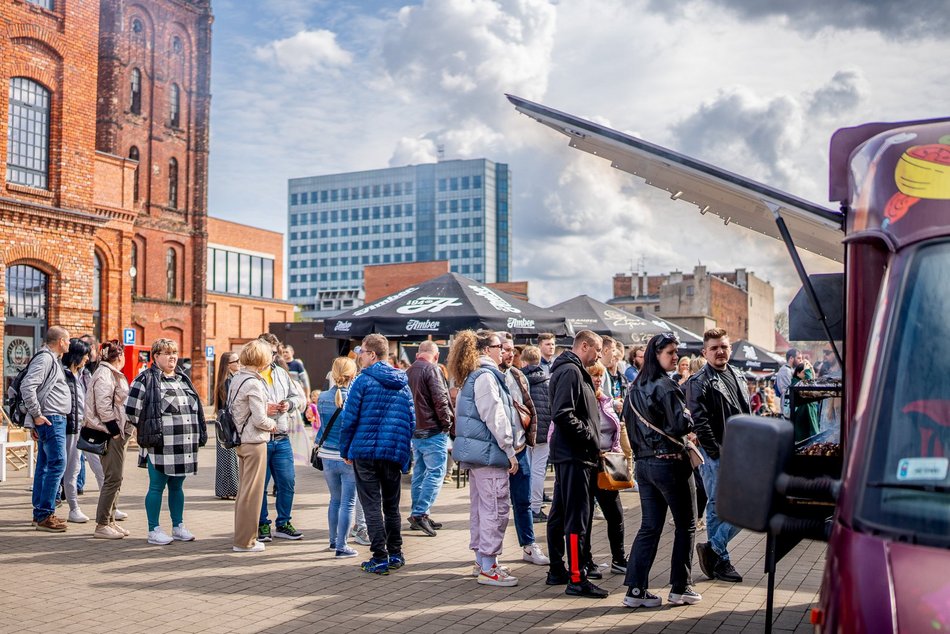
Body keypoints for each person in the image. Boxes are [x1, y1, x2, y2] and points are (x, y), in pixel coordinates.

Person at [622, 332, 701, 608]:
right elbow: (681, 425)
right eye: (670, 352)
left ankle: (635, 589)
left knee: (650, 526)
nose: (676, 356)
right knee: (686, 524)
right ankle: (680, 587)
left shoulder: (634, 387)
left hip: (644, 465)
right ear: (656, 355)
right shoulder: (666, 386)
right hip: (670, 463)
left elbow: (628, 424)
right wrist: (688, 416)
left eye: (676, 351)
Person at [449, 329, 520, 587]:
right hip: (490, 453)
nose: (504, 350)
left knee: (482, 508)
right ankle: (488, 566)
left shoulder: (473, 375)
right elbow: (495, 416)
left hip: (479, 453)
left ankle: (483, 561)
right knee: (495, 509)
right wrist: (509, 450)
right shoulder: (486, 376)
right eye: (499, 346)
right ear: (486, 350)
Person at [339, 334, 415, 575]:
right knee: (391, 506)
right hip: (392, 452)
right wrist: (405, 454)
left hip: (365, 452)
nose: (359, 355)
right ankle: (396, 553)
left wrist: (345, 449)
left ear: (372, 354)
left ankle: (379, 557)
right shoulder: (402, 382)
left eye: (361, 351)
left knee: (371, 505)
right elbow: (410, 420)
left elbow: (349, 419)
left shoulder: (362, 381)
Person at [546, 330, 609, 598]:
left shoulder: (572, 370)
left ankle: (559, 570)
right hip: (574, 455)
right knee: (576, 517)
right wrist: (589, 436)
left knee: (563, 513)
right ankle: (576, 577)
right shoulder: (571, 371)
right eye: (597, 350)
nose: (598, 356)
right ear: (585, 346)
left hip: (573, 454)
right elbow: (563, 413)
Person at [126, 338, 207, 545]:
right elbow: (131, 410)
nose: (172, 357)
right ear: (156, 356)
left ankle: (178, 526)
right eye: (167, 353)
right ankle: (153, 529)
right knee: (156, 486)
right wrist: (150, 429)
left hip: (183, 445)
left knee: (177, 486)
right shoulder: (144, 379)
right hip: (159, 445)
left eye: (175, 353)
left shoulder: (182, 379)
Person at [686, 328, 750, 584]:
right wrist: (716, 453)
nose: (720, 351)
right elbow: (700, 422)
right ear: (705, 352)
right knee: (716, 507)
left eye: (723, 346)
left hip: (740, 451)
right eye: (714, 348)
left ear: (730, 349)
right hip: (716, 454)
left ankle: (713, 549)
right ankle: (720, 560)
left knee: (749, 505)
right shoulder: (698, 381)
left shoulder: (738, 375)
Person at [499, 335, 549, 566]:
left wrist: (528, 436)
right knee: (495, 506)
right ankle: (487, 555)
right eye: (504, 349)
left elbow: (527, 408)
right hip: (496, 450)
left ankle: (529, 546)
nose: (510, 354)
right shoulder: (484, 376)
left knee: (523, 500)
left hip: (519, 446)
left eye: (512, 350)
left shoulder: (517, 375)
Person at [256, 333, 306, 542]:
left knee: (287, 482)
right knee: (260, 486)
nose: (273, 356)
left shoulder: (281, 373)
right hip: (260, 438)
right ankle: (261, 524)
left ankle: (283, 523)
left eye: (275, 352)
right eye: (270, 352)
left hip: (282, 437)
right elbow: (236, 407)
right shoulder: (249, 374)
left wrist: (289, 404)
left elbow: (299, 398)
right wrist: (262, 408)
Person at [229, 340, 277, 553]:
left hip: (240, 439)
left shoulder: (238, 378)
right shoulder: (254, 382)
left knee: (244, 492)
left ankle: (243, 537)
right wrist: (273, 424)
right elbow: (259, 420)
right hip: (254, 441)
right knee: (252, 494)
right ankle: (245, 541)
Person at [22, 326, 72, 532]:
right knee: (58, 463)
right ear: (60, 341)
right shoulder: (45, 358)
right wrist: (36, 415)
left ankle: (41, 513)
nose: (70, 343)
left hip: (52, 419)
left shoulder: (52, 359)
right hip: (51, 419)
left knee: (45, 465)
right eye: (68, 340)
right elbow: (28, 386)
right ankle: (44, 514)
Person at [84, 340, 132, 540]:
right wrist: (114, 431)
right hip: (110, 434)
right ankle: (102, 524)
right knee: (112, 479)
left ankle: (110, 521)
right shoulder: (105, 374)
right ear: (119, 356)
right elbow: (103, 406)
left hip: (117, 432)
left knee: (116, 479)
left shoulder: (110, 373)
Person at [406, 341, 453, 536]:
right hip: (432, 429)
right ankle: (420, 513)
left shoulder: (409, 371)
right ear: (436, 355)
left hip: (415, 429)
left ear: (418, 353)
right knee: (435, 473)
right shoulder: (432, 370)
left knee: (420, 472)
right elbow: (440, 400)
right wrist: (447, 424)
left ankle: (418, 513)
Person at [585, 362, 627, 574]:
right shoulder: (582, 399)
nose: (598, 379)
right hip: (588, 463)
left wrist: (616, 452)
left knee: (615, 513)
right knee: (586, 515)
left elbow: (614, 431)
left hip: (608, 463)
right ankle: (586, 561)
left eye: (600, 375)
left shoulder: (605, 400)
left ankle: (619, 559)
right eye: (594, 375)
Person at [317, 357, 360, 557]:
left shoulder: (322, 397)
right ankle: (342, 546)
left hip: (327, 455)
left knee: (334, 500)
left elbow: (322, 427)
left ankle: (333, 541)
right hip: (347, 456)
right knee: (348, 503)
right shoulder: (354, 398)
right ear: (353, 375)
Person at [60, 338, 91, 524]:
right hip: (68, 428)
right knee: (70, 469)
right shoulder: (63, 375)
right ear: (76, 355)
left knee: (76, 468)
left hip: (81, 427)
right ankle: (73, 508)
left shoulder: (80, 375)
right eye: (85, 355)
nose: (87, 358)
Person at [520, 345, 552, 522]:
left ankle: (529, 504)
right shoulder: (547, 381)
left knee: (529, 469)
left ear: (524, 361)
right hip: (543, 431)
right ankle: (535, 507)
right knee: (538, 470)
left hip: (525, 430)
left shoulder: (519, 381)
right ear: (539, 361)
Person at [213, 352, 241, 499]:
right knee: (229, 457)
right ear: (228, 365)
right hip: (228, 423)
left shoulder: (225, 380)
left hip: (223, 422)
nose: (239, 362)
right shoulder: (228, 382)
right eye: (236, 360)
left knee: (225, 456)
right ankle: (230, 490)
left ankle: (225, 490)